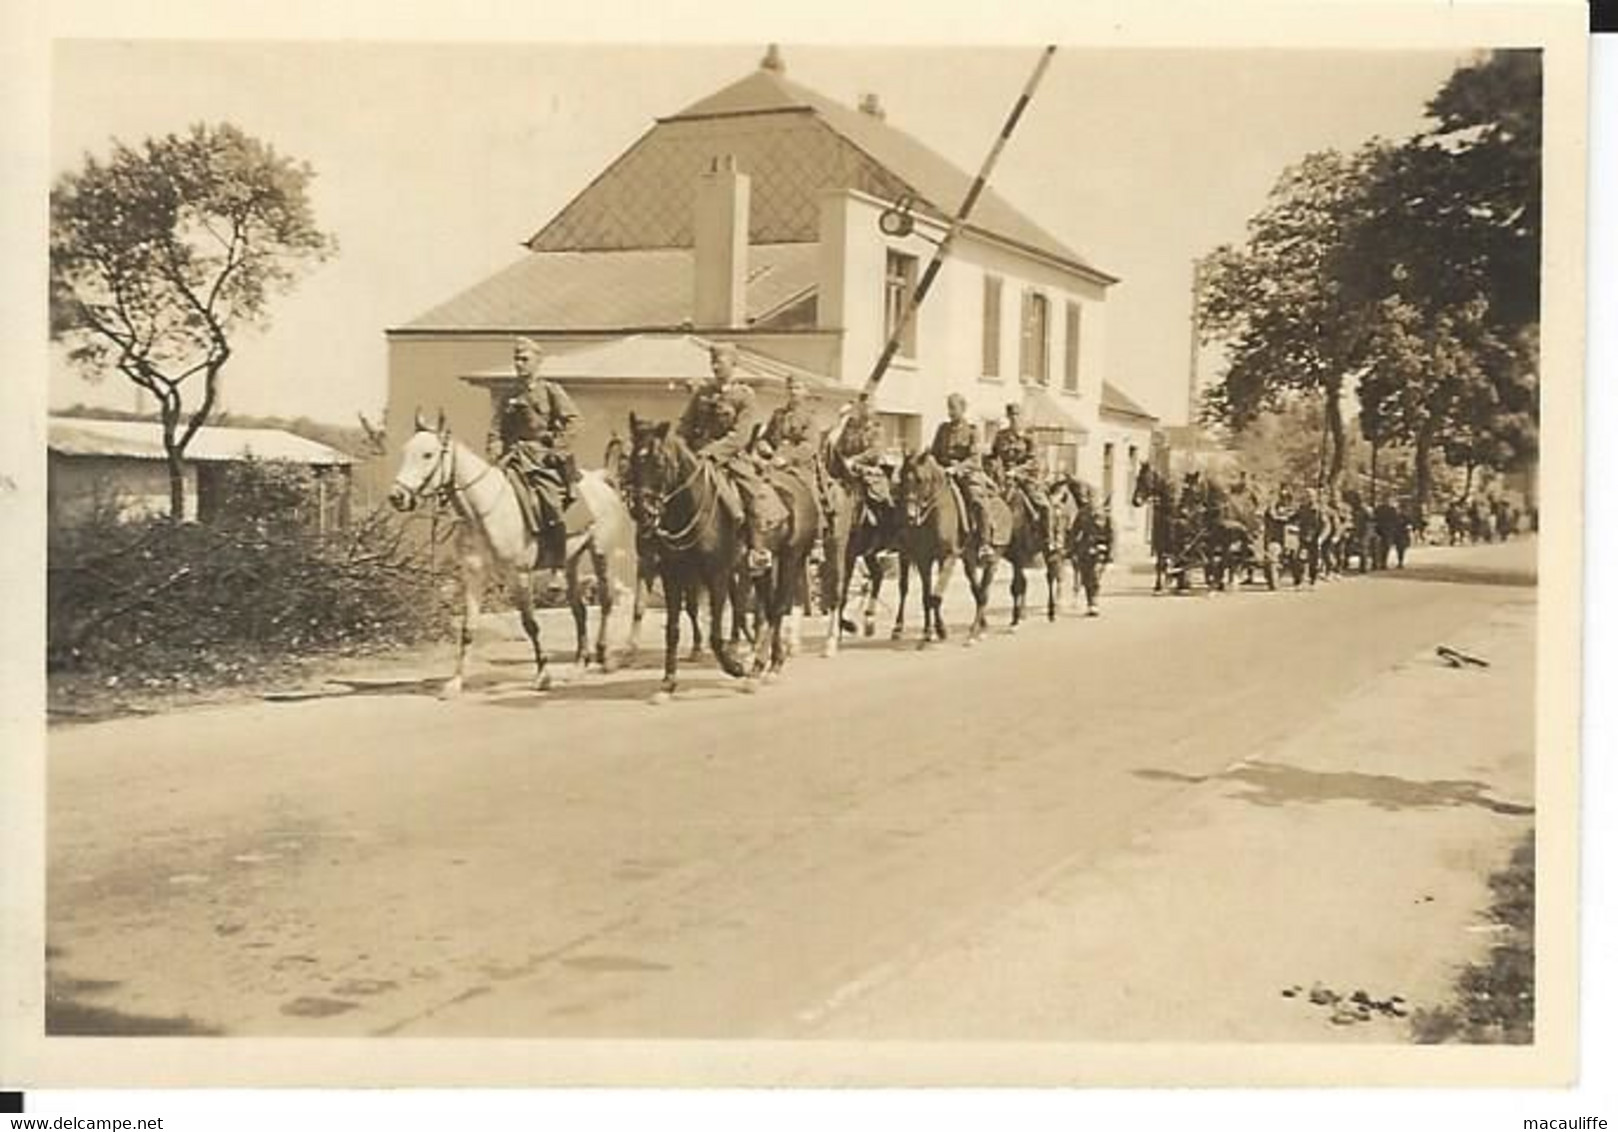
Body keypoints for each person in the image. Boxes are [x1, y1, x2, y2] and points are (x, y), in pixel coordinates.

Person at [678, 343, 786, 575]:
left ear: (733, 364)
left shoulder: (744, 396)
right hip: (697, 458)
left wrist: (713, 451)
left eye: (721, 362)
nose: (716, 366)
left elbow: (741, 435)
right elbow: (685, 426)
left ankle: (757, 550)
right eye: (713, 362)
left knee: (751, 496)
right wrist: (680, 449)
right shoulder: (702, 393)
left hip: (730, 459)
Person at [488, 336, 583, 564]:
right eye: (516, 359)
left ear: (537, 362)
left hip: (543, 459)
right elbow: (496, 428)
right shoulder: (508, 395)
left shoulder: (551, 391)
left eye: (524, 359)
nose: (519, 364)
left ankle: (557, 565)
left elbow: (574, 421)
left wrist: (557, 450)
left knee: (550, 501)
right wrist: (494, 447)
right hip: (513, 458)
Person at [929, 393, 995, 562]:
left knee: (978, 501)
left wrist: (956, 468)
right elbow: (934, 453)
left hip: (965, 474)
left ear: (963, 409)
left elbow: (974, 459)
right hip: (943, 473)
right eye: (949, 408)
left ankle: (984, 543)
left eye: (953, 408)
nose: (950, 412)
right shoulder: (942, 429)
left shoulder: (972, 431)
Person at [988, 402, 1056, 552]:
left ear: (1022, 417)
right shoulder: (1001, 436)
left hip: (1026, 479)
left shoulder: (1029, 437)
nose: (1014, 419)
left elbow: (1033, 461)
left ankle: (1049, 539)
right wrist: (991, 466)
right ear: (1008, 417)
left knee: (1044, 506)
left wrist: (1017, 471)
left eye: (1017, 415)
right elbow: (993, 455)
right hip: (1004, 479)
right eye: (1011, 416)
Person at [830, 393, 893, 519]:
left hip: (867, 471)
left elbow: (875, 452)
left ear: (873, 409)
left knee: (878, 498)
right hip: (844, 470)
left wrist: (854, 460)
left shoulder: (876, 429)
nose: (865, 410)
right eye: (863, 406)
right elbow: (839, 446)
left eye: (869, 407)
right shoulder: (849, 427)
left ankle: (882, 528)